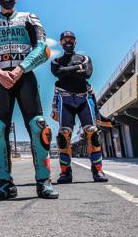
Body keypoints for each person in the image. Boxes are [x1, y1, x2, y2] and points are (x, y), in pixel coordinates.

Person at [0, 0, 58, 200]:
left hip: (25, 77)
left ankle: (44, 181)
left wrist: (21, 68)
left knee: (39, 127)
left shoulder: (30, 18)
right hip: (0, 79)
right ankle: (5, 184)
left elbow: (42, 48)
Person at [50, 31, 108, 183]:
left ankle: (98, 171)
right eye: (65, 40)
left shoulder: (85, 58)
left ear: (75, 42)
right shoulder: (56, 61)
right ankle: (65, 173)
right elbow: (58, 73)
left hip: (84, 98)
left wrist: (67, 71)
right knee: (64, 135)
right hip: (65, 98)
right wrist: (77, 68)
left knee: (92, 133)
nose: (68, 42)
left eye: (71, 39)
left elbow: (87, 74)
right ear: (60, 43)